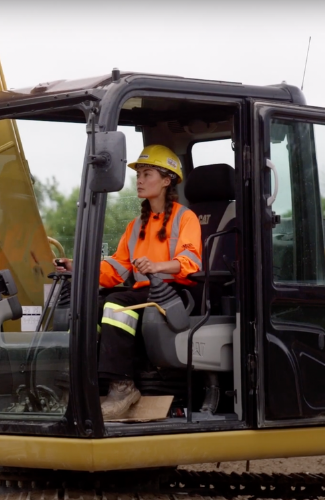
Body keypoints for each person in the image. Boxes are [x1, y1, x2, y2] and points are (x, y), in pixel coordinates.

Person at [55, 144, 202, 420]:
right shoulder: (136, 226)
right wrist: (78, 267)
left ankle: (123, 386)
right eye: (138, 175)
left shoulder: (186, 218)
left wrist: (157, 266)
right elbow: (115, 268)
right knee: (92, 306)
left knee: (115, 306)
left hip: (173, 293)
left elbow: (190, 260)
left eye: (147, 174)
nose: (140, 180)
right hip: (144, 293)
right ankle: (89, 382)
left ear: (167, 180)